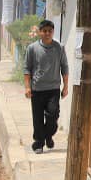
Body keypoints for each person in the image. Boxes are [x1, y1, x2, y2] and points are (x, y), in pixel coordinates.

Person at [23, 19, 69, 153]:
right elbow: (27, 69)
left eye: (50, 31)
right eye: (44, 31)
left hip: (53, 89)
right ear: (39, 32)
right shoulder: (32, 48)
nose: (47, 33)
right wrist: (27, 87)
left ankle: (48, 135)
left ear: (53, 32)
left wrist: (65, 87)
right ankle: (39, 143)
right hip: (37, 90)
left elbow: (64, 67)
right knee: (37, 118)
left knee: (53, 115)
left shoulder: (59, 48)